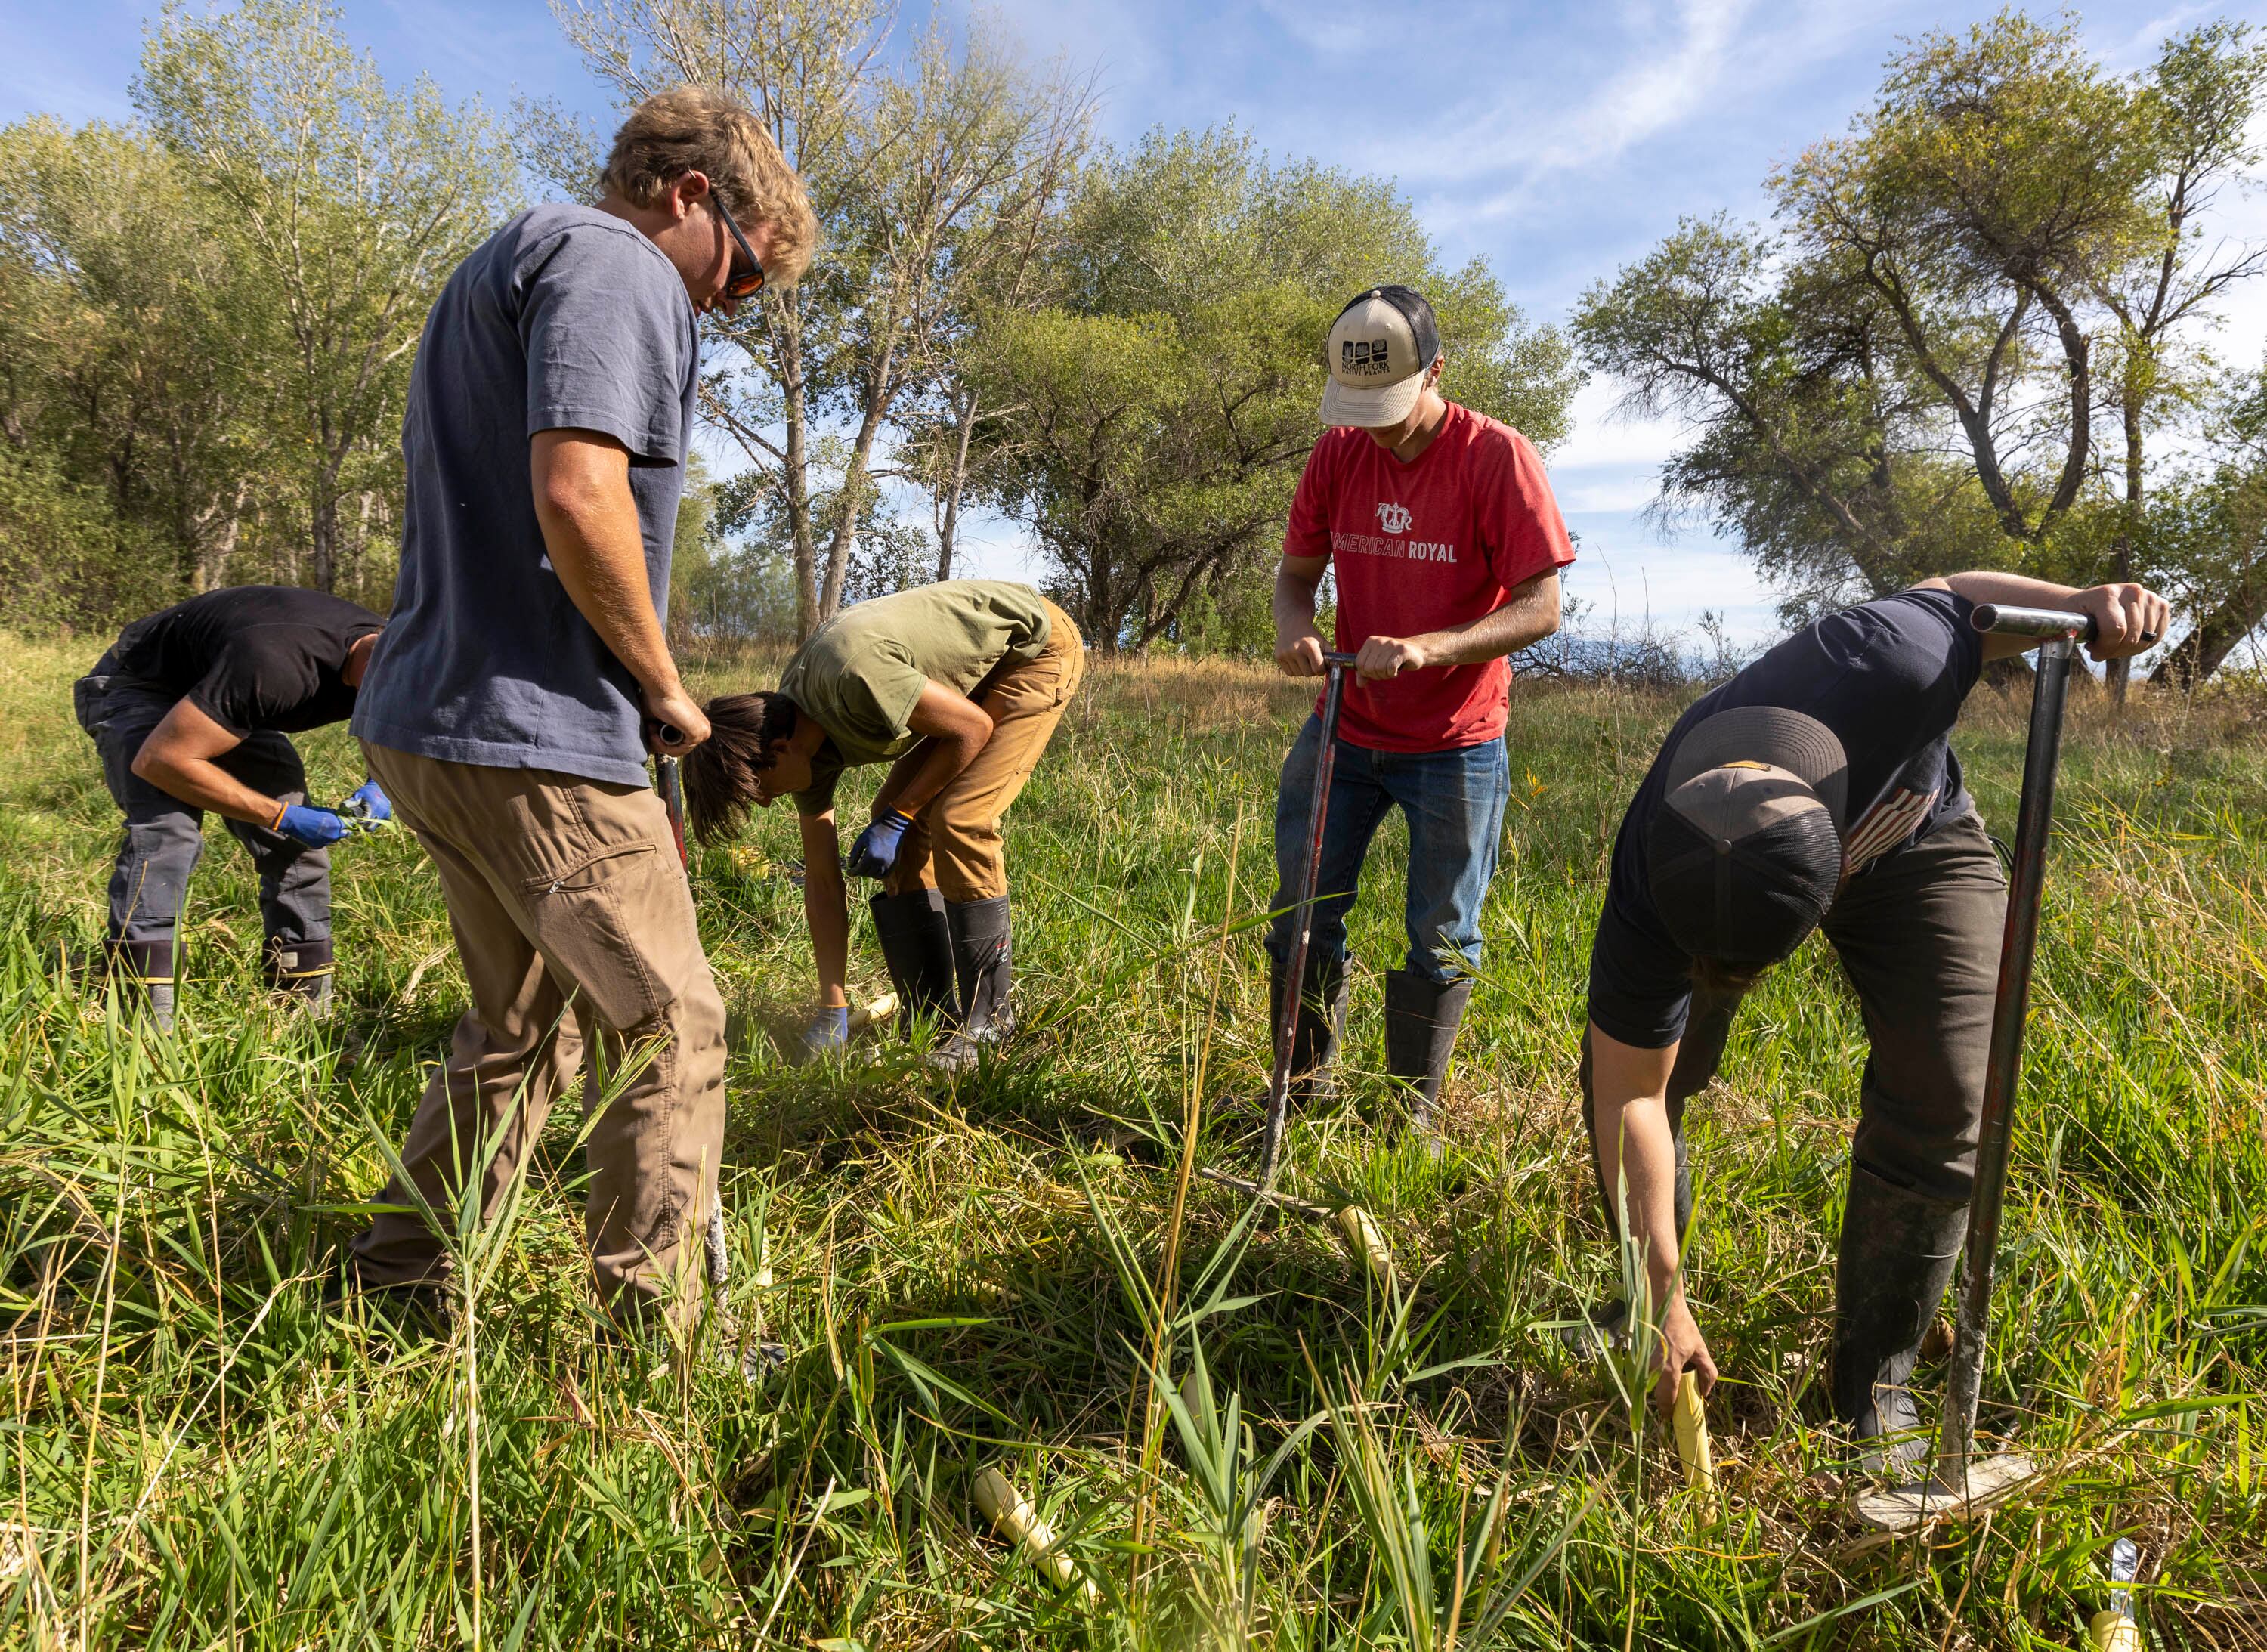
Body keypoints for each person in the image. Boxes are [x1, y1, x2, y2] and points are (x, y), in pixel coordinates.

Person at [337, 86, 815, 1338]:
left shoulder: (511, 257)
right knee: (671, 1023)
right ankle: (655, 1357)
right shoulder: (619, 265)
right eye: (748, 271)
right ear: (692, 198)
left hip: (433, 720)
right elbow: (578, 489)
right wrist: (663, 685)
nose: (732, 300)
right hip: (536, 732)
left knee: (521, 1026)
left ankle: (401, 1285)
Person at [1579, 571, 2170, 1464]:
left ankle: (1874, 1383)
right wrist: (1663, 1288)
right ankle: (1641, 1306)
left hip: (1915, 838)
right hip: (1734, 882)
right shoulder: (1655, 874)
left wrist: (2083, 600)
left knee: (1949, 1087)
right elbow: (1630, 1093)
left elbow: (1956, 590)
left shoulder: (1897, 661)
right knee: (1668, 1073)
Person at [1267, 284, 1575, 1134]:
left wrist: (1428, 646)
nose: (1375, 425)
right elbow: (1296, 579)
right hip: (1345, 727)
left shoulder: (1496, 457)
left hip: (1457, 742)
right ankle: (1294, 1091)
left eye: (1391, 406)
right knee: (1300, 905)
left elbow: (1541, 606)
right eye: (1358, 407)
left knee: (1440, 932)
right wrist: (1298, 632)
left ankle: (1410, 1116)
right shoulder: (1336, 456)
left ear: (1437, 369)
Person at [683, 578, 1084, 1073]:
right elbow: (824, 882)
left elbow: (971, 729)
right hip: (971, 685)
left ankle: (991, 1026)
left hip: (1032, 650)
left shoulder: (854, 678)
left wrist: (902, 813)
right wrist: (833, 1008)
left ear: (778, 750)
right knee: (897, 821)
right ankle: (932, 1020)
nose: (765, 804)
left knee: (959, 816)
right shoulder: (804, 749)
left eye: (758, 790)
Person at [73, 585, 390, 1029]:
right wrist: (278, 815)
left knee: (298, 848)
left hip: (224, 700)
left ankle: (304, 1009)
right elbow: (161, 760)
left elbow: (407, 729)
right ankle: (142, 1021)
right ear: (373, 665)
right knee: (169, 834)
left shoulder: (410, 659)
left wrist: (383, 786)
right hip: (141, 687)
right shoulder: (276, 665)